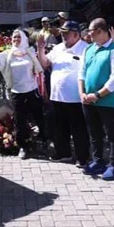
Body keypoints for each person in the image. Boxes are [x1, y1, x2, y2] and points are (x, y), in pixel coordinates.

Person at [0, 30, 45, 159]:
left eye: (18, 37)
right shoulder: (8, 54)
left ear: (24, 38)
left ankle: (45, 141)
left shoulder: (30, 52)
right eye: (14, 37)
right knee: (20, 120)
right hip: (17, 92)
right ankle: (23, 146)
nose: (16, 39)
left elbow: (40, 68)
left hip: (32, 90)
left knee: (39, 116)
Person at [37, 21, 90, 167]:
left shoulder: (86, 49)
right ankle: (63, 153)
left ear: (76, 34)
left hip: (75, 98)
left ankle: (82, 158)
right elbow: (45, 63)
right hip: (57, 96)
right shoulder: (58, 48)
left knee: (79, 129)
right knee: (60, 128)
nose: (63, 35)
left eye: (66, 33)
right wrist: (40, 49)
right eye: (62, 33)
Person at [78, 18, 114, 180]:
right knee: (94, 133)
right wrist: (82, 93)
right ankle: (98, 161)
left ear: (100, 31)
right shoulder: (89, 49)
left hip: (107, 101)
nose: (88, 35)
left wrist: (97, 95)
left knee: (112, 134)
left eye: (91, 32)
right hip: (88, 101)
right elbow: (82, 73)